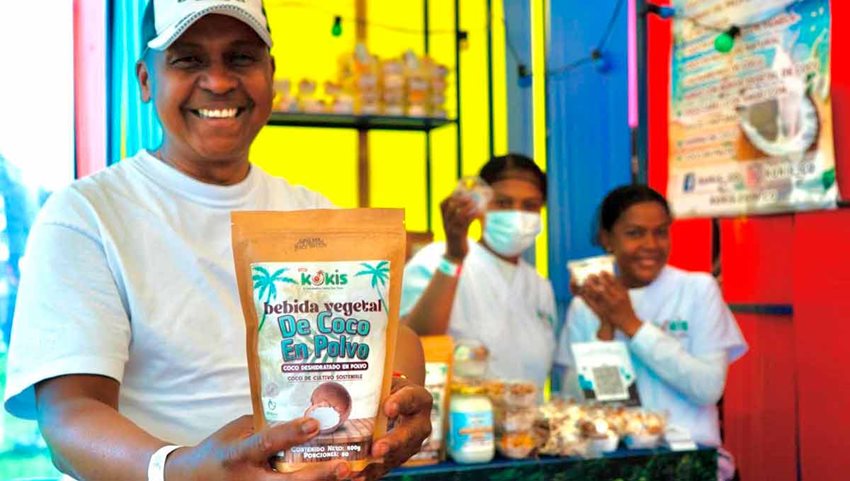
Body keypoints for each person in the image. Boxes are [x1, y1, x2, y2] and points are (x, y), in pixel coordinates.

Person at [3, 2, 431, 480]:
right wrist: (184, 469)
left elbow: (392, 336)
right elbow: (69, 415)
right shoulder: (88, 215)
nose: (220, 81)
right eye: (188, 59)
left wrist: (401, 400)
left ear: (271, 75)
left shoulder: (312, 211)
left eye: (242, 57)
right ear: (146, 80)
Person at [554, 184, 747, 478]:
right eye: (634, 233)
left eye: (660, 232)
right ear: (607, 239)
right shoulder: (585, 307)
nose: (651, 245)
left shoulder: (697, 289)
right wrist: (606, 327)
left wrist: (631, 324)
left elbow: (708, 388)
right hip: (621, 467)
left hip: (692, 464)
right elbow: (594, 408)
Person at [401, 154, 556, 389]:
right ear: (479, 205)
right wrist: (453, 258)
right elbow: (413, 343)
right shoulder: (436, 260)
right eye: (503, 203)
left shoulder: (539, 286)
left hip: (524, 421)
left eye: (529, 206)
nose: (517, 214)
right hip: (459, 421)